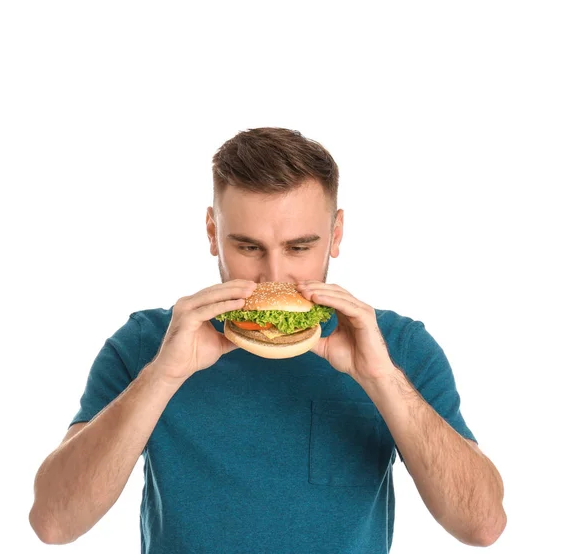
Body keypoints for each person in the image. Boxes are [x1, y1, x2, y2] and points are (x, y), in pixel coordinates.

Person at [29, 127, 506, 552]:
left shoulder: (396, 346)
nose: (273, 275)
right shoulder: (147, 342)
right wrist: (161, 377)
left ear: (336, 234)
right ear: (213, 233)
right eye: (248, 247)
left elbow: (482, 525)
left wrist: (380, 379)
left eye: (300, 247)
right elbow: (53, 523)